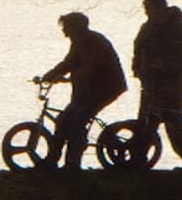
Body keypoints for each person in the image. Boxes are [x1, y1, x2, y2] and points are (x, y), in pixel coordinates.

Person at [39, 12, 127, 171]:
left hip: (104, 89)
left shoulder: (96, 42)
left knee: (76, 121)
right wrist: (49, 75)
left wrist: (70, 78)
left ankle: (72, 164)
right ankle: (52, 160)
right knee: (63, 120)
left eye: (66, 28)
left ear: (75, 28)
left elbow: (92, 67)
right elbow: (69, 63)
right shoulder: (78, 43)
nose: (64, 33)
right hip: (86, 89)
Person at [131, 0, 182, 171]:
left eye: (150, 10)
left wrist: (163, 67)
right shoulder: (148, 27)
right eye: (146, 10)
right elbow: (139, 48)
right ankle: (138, 159)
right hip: (150, 82)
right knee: (147, 121)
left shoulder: (178, 29)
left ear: (160, 8)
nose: (148, 14)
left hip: (174, 83)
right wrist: (138, 68)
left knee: (172, 120)